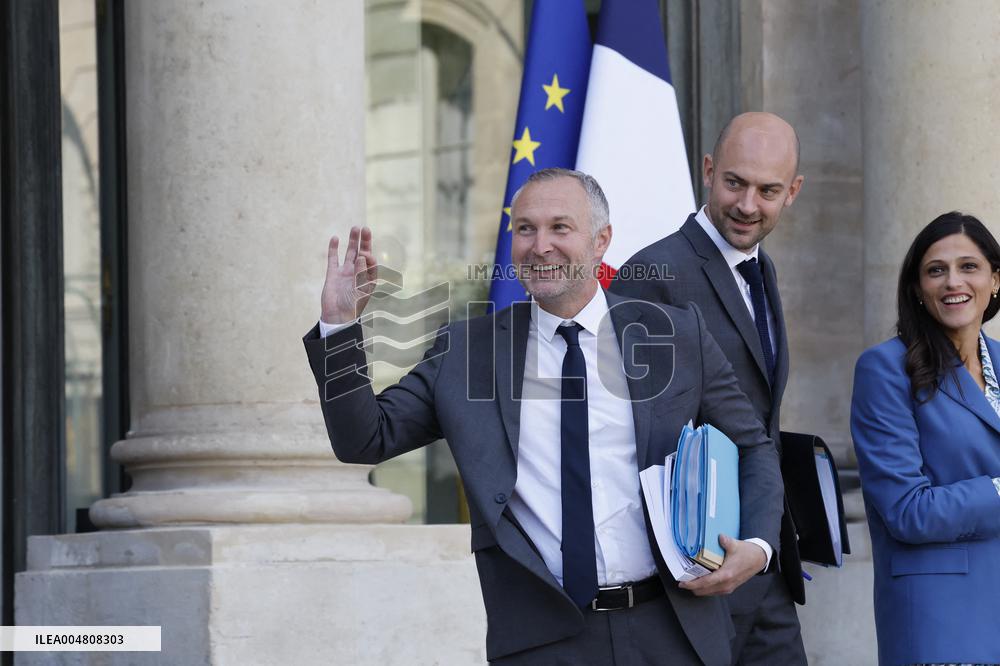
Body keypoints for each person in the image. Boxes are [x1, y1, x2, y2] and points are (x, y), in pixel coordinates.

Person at [304, 168, 784, 665]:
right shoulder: (467, 350)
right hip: (541, 640)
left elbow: (751, 445)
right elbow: (364, 440)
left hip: (675, 629)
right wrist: (339, 327)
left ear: (601, 241)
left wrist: (758, 543)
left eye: (560, 227)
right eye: (525, 229)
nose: (540, 246)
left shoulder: (675, 335)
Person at [610, 112, 807, 664]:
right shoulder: (650, 273)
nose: (748, 205)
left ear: (792, 192)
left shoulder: (761, 269)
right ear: (707, 170)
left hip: (763, 565)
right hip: (693, 571)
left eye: (768, 191)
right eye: (734, 183)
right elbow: (636, 436)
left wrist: (765, 544)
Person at [851, 212, 1000, 666]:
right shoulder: (884, 369)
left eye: (969, 266)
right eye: (936, 270)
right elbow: (907, 511)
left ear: (995, 280)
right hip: (942, 627)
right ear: (917, 288)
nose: (953, 281)